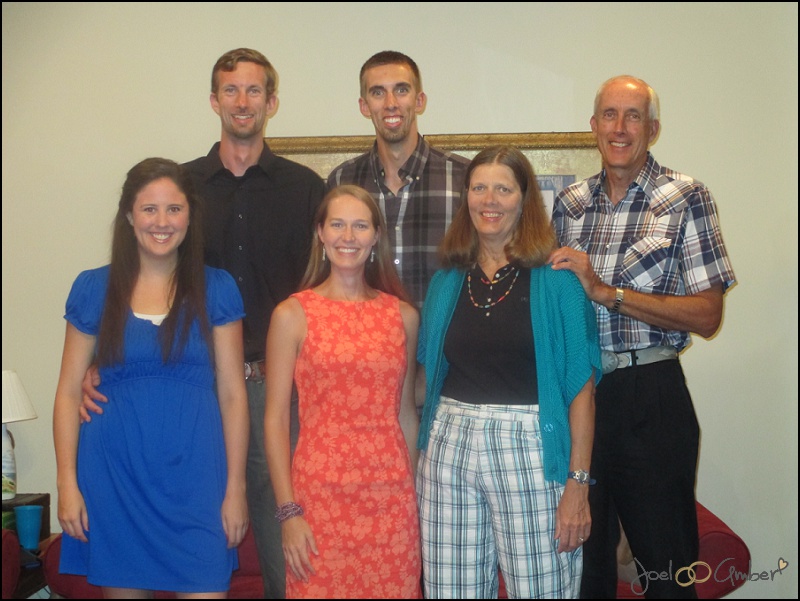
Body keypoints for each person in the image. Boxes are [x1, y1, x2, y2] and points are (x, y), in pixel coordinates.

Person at [79, 48, 325, 598]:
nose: (243, 102)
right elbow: (135, 278)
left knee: (280, 527)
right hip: (187, 388)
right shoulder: (180, 189)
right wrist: (104, 362)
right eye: (231, 90)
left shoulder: (306, 189)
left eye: (254, 90)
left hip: (272, 385)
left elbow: (324, 290)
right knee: (184, 527)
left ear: (272, 102)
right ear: (214, 101)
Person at [549, 75, 736, 599]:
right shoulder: (569, 203)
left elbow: (708, 314)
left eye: (633, 116)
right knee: (583, 570)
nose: (620, 127)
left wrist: (609, 293)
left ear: (653, 128)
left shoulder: (686, 197)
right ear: (593, 127)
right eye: (609, 114)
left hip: (651, 394)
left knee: (666, 567)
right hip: (580, 398)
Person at [53, 158, 249, 598]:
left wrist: (235, 488)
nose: (162, 222)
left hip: (198, 484)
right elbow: (68, 392)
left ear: (189, 216)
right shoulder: (93, 288)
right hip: (114, 481)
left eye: (174, 209)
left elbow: (234, 395)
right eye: (149, 209)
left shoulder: (217, 288)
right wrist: (66, 483)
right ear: (128, 215)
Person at [416, 146, 602, 599]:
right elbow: (424, 384)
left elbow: (581, 390)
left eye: (503, 188)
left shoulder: (557, 281)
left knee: (541, 590)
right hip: (447, 448)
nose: (489, 199)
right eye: (479, 187)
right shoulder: (447, 281)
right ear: (466, 198)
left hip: (531, 451)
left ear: (524, 199)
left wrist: (577, 486)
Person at [264, 185, 422, 598]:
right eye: (337, 224)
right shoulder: (292, 315)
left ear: (375, 237)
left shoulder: (402, 316)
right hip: (318, 501)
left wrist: (416, 501)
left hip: (391, 503)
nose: (347, 237)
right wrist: (288, 512)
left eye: (359, 226)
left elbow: (405, 415)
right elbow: (276, 419)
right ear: (320, 232)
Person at [327, 50, 470, 308]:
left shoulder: (462, 178)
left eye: (401, 90)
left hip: (439, 345)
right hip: (364, 344)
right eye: (378, 92)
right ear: (364, 105)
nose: (391, 103)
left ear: (419, 100)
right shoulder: (341, 181)